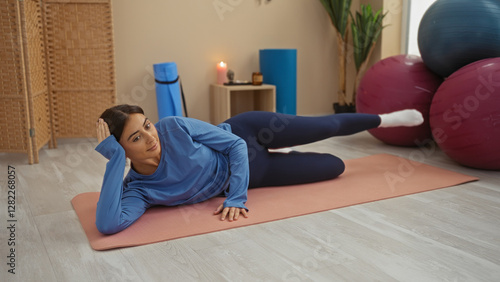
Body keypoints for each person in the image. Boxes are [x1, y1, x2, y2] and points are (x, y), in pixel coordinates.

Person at [95, 104, 423, 234]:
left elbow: (235, 145)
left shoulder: (173, 127)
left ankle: (387, 119)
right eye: (136, 138)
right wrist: (113, 162)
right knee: (334, 166)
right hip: (260, 172)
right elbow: (109, 224)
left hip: (247, 133)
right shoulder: (139, 189)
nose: (151, 138)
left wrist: (237, 196)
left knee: (328, 124)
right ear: (121, 149)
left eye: (148, 126)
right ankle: (282, 154)